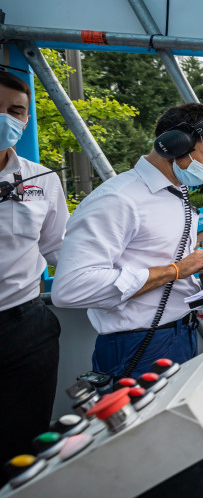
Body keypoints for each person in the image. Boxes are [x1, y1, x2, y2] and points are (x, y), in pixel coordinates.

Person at [53, 103, 203, 380]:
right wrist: (175, 270)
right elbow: (71, 288)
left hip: (180, 334)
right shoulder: (117, 199)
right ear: (174, 143)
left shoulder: (175, 192)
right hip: (136, 347)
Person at [0, 70, 69, 466]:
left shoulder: (41, 180)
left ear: (25, 120)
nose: (5, 117)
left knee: (24, 447)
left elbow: (59, 248)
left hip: (26, 328)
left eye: (15, 111)